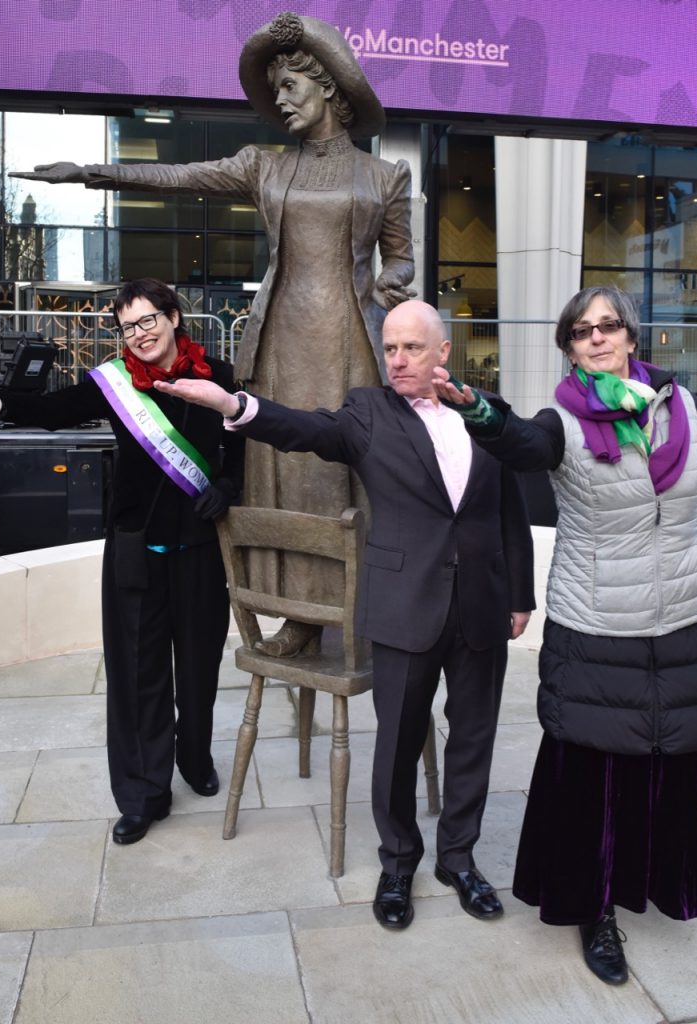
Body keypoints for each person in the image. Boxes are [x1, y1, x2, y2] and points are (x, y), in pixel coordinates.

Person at [10, 11, 415, 658]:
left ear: (331, 90)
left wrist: (396, 283)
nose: (279, 101)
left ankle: (358, 606)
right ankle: (301, 614)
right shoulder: (264, 167)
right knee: (282, 469)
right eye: (275, 88)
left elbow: (399, 257)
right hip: (281, 335)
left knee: (347, 470)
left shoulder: (384, 177)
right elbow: (179, 176)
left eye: (291, 87)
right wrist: (90, 172)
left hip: (351, 341)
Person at [152, 299, 535, 929]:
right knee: (397, 742)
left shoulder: (485, 410)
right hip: (405, 604)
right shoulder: (369, 412)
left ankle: (459, 859)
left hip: (482, 604)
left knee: (473, 738)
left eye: (412, 347)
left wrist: (519, 594)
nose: (398, 360)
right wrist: (232, 406)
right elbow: (306, 429)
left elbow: (508, 511)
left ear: (444, 351)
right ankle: (398, 862)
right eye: (389, 348)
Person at [432, 285, 697, 984]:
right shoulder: (562, 420)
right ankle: (591, 908)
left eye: (607, 327)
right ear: (569, 347)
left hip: (681, 616)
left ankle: (654, 882)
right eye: (580, 331)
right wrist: (476, 409)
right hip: (599, 620)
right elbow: (521, 444)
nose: (595, 338)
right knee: (594, 779)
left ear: (631, 337)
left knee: (673, 761)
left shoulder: (683, 409)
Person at [0, 278, 244, 846]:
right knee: (138, 675)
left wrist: (228, 483)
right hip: (134, 548)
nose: (138, 335)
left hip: (198, 550)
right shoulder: (112, 383)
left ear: (172, 318)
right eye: (126, 328)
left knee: (197, 669)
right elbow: (47, 409)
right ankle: (145, 792)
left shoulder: (216, 375)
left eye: (147, 321)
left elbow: (239, 442)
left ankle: (194, 759)